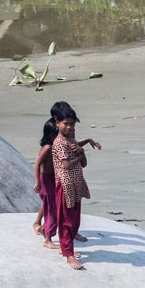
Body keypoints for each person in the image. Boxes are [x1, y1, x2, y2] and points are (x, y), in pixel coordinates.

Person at [49, 103, 102, 268]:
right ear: (57, 122)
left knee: (74, 219)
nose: (70, 127)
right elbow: (66, 165)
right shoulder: (59, 143)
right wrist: (79, 155)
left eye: (72, 124)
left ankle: (68, 248)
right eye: (66, 124)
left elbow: (83, 164)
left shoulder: (71, 140)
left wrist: (82, 152)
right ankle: (68, 255)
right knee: (66, 220)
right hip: (65, 185)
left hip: (76, 183)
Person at [34, 117, 58, 248]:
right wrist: (37, 182)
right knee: (51, 210)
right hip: (46, 180)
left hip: (53, 178)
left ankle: (44, 229)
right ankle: (47, 239)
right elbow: (37, 164)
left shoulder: (54, 146)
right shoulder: (48, 147)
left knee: (53, 208)